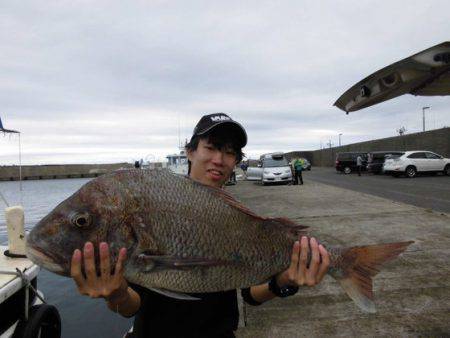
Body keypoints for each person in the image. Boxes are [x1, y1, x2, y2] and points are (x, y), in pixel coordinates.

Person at [70, 113, 330, 338]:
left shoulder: (239, 217)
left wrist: (285, 281)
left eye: (230, 152)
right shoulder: (156, 206)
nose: (220, 159)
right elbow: (132, 306)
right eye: (212, 147)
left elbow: (251, 294)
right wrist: (115, 295)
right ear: (190, 151)